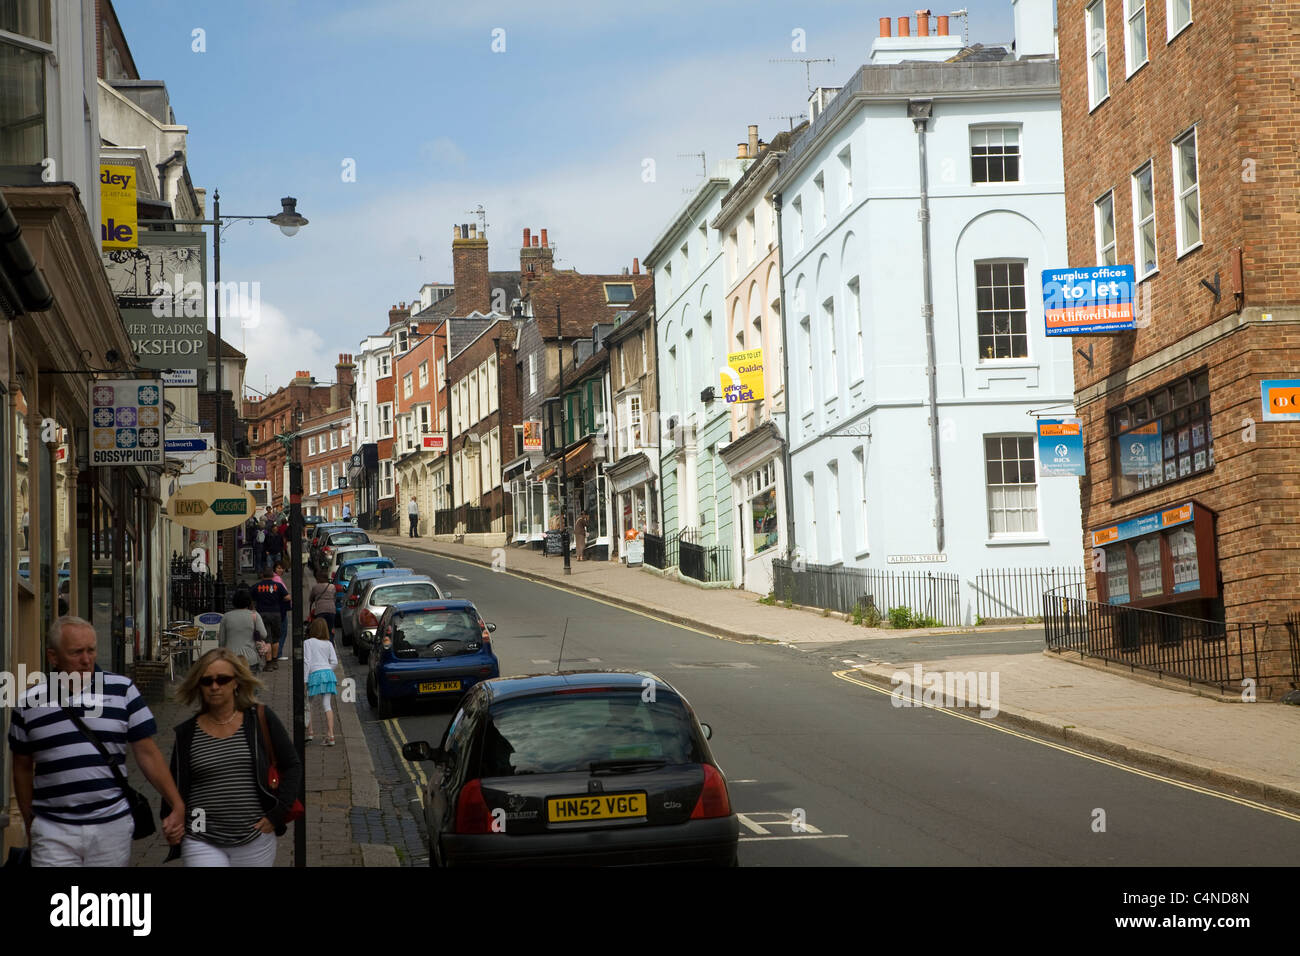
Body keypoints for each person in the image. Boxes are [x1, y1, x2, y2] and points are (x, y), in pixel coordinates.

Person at [7, 616, 186, 866]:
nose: (86, 659)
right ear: (52, 657)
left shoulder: (122, 690)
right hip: (53, 829)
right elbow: (22, 767)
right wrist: (30, 822)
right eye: (76, 652)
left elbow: (146, 753)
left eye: (91, 650)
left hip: (111, 825)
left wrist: (175, 803)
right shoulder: (29, 703)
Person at [165, 649, 301, 867]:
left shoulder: (260, 719)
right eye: (207, 681)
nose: (214, 686)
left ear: (236, 682)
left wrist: (276, 815)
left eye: (222, 679)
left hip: (254, 837)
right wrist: (173, 817)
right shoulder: (187, 732)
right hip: (200, 836)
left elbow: (292, 765)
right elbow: (175, 782)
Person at [303, 619, 340, 745]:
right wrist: (326, 670)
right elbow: (334, 662)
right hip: (328, 674)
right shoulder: (328, 643)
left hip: (314, 675)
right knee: (327, 705)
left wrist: (305, 679)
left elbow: (306, 662)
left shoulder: (307, 643)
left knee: (308, 704)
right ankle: (331, 736)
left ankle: (310, 733)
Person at [217, 588, 268, 673]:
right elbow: (264, 634)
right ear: (249, 601)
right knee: (250, 685)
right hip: (250, 658)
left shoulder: (226, 616)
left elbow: (221, 642)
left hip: (231, 658)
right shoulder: (254, 615)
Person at [251, 567, 290, 669]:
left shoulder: (257, 586)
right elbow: (287, 597)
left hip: (262, 614)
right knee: (276, 639)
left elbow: (250, 598)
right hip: (276, 613)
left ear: (262, 576)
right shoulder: (278, 586)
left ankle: (268, 664)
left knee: (267, 638)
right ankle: (274, 661)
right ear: (273, 576)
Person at [309, 567, 337, 635]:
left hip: (320, 611)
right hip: (331, 610)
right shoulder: (332, 586)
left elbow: (311, 599)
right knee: (330, 630)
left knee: (320, 631)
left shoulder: (315, 587)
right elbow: (334, 598)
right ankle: (331, 643)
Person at [273, 562, 291, 661]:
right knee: (282, 631)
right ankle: (278, 653)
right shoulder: (277, 579)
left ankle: (276, 653)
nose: (280, 570)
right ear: (274, 569)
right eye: (278, 568)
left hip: (277, 608)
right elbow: (282, 595)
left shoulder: (275, 578)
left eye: (282, 568)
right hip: (281, 609)